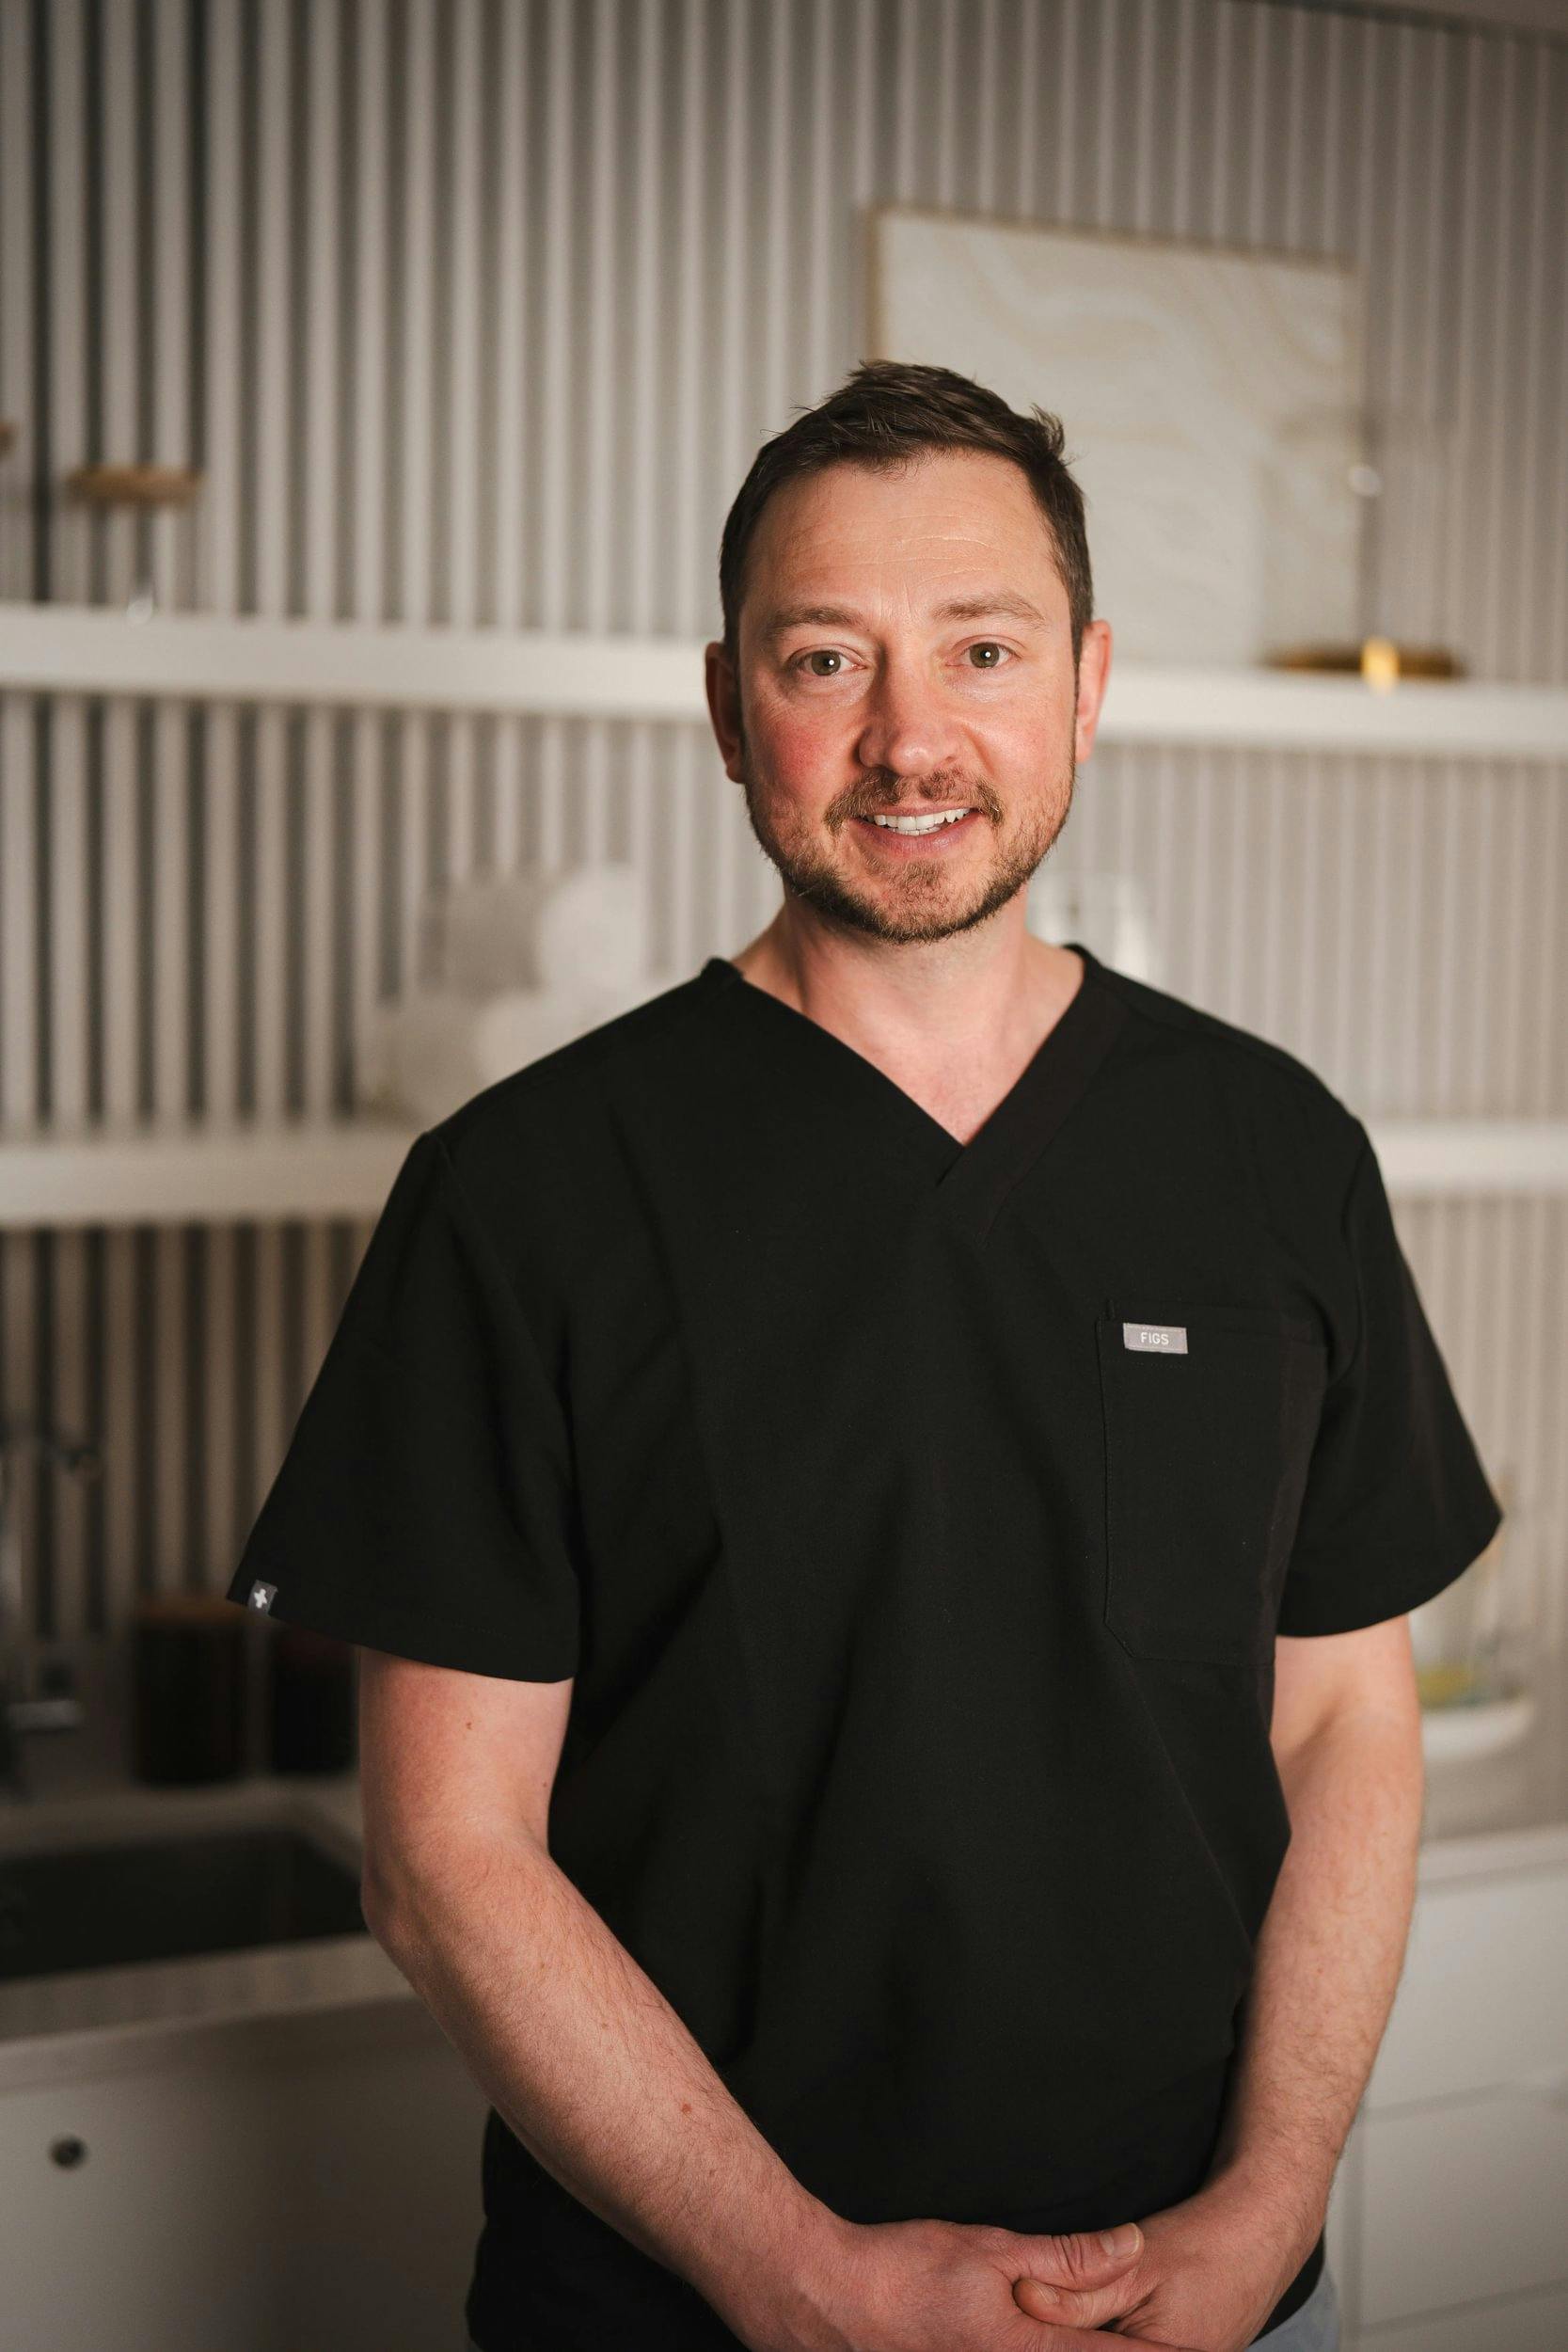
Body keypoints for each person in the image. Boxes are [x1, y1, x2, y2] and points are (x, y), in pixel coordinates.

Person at [227, 361, 1500, 2352]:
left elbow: (1343, 1719)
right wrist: (799, 2276)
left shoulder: (1274, 1152)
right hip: (684, 2309)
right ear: (730, 708)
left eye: (983, 649)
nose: (913, 737)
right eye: (827, 659)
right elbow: (444, 1860)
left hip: (1218, 2301)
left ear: (1086, 683)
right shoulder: (523, 1193)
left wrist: (1269, 2210)